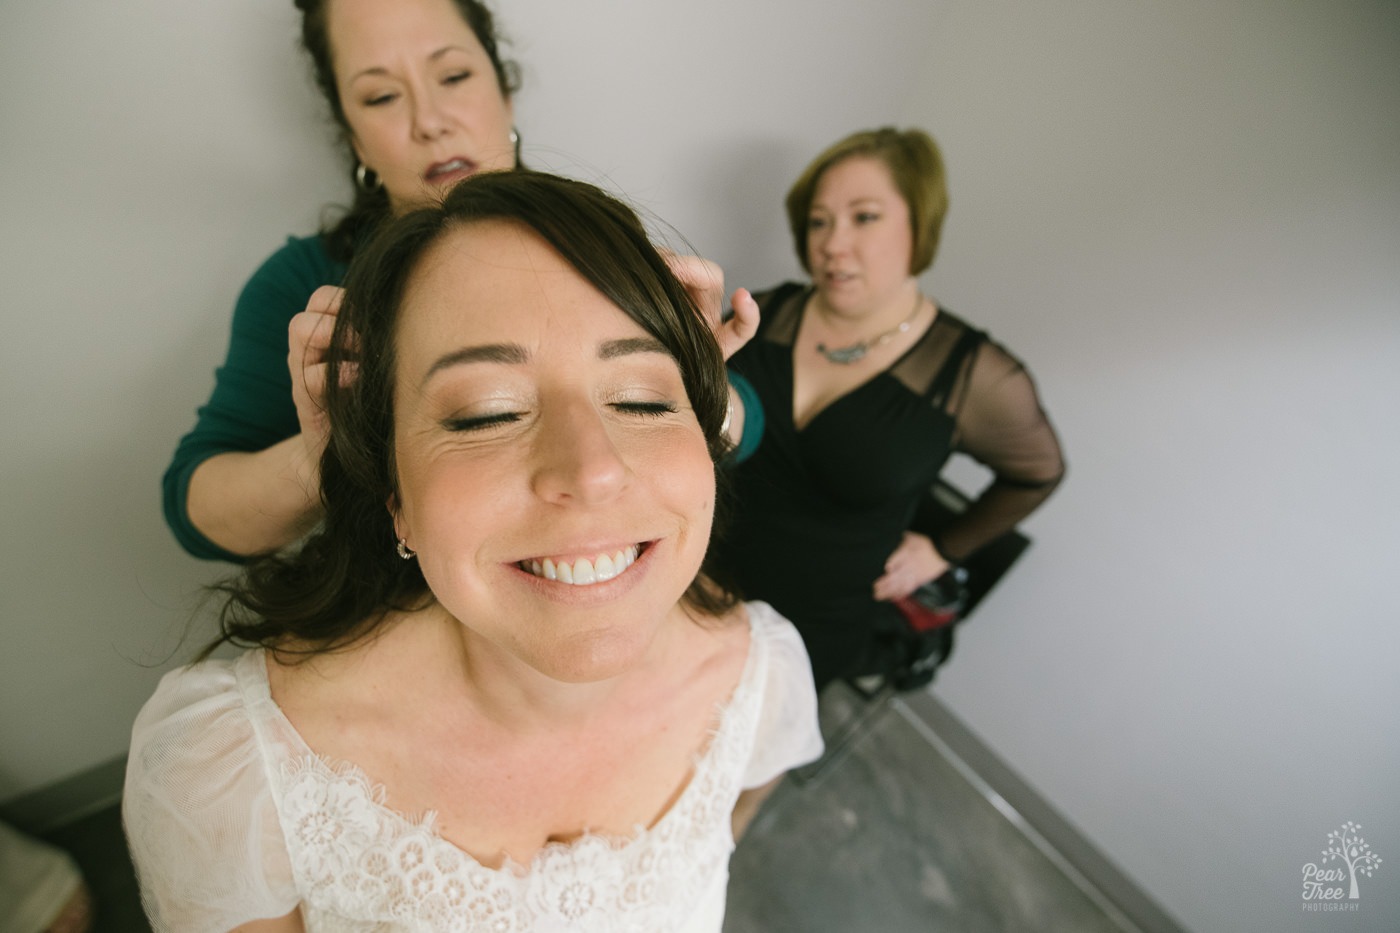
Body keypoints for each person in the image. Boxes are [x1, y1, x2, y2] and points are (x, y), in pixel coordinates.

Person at [124, 170, 822, 932]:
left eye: (643, 399)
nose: (592, 471)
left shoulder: (759, 677)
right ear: (396, 499)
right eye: (489, 413)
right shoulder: (236, 778)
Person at [161, 0, 754, 561]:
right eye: (382, 96)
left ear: (505, 91)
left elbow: (741, 422)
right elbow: (197, 509)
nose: (430, 122)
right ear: (352, 135)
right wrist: (333, 450)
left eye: (453, 78)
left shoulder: (603, 246)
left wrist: (695, 383)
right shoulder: (309, 289)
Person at [715, 127, 1066, 691]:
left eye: (865, 217)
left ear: (919, 226)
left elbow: (1039, 473)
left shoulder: (973, 377)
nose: (832, 244)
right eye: (819, 221)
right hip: (703, 574)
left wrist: (944, 549)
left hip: (813, 621)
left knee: (751, 757)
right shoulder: (767, 312)